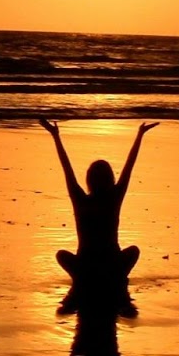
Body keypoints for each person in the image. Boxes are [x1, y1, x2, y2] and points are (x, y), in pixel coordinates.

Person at [39, 118, 158, 290]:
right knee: (133, 251)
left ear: (89, 179)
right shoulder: (114, 198)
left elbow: (67, 168)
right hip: (112, 264)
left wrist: (56, 136)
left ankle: (88, 278)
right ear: (110, 178)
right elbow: (129, 167)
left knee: (62, 255)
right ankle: (112, 277)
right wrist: (139, 135)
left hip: (85, 266)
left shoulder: (81, 200)